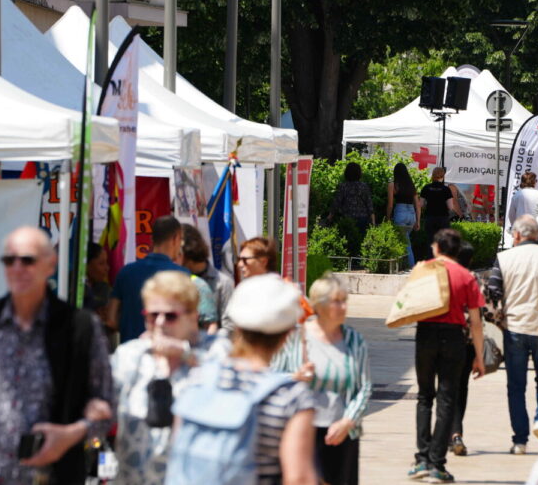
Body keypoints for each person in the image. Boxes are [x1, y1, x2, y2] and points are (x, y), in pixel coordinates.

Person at [0, 227, 114, 484]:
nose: (18, 268)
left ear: (50, 265)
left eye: (27, 260)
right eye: (9, 260)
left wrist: (71, 434)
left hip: (48, 476)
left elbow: (106, 404)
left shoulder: (79, 327)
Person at [168, 275, 318, 485]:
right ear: (286, 335)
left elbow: (176, 452)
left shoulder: (197, 377)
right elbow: (298, 478)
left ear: (237, 327)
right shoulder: (292, 397)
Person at [111, 271, 226, 484]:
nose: (160, 322)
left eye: (170, 316)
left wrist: (185, 354)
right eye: (152, 315)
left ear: (193, 317)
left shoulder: (216, 350)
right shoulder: (130, 355)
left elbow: (234, 386)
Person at [272, 275, 373, 485]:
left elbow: (364, 387)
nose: (344, 307)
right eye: (337, 301)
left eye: (345, 300)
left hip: (342, 434)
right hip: (301, 433)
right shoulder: (295, 339)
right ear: (319, 305)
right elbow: (271, 378)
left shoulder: (354, 341)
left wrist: (347, 421)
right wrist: (295, 377)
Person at [409, 228, 486, 484]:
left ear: (438, 248)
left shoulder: (423, 270)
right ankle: (437, 464)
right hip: (454, 337)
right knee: (446, 399)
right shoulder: (466, 276)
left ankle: (421, 460)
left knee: (424, 396)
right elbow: (476, 322)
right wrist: (479, 355)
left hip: (425, 334)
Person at [486, 215, 538, 453]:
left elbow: (493, 293)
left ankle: (520, 440)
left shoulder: (504, 258)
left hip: (515, 329)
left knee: (516, 386)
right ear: (537, 234)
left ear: (518, 235)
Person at [114, 216, 216, 341]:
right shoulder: (182, 275)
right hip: (171, 347)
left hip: (130, 348)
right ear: (175, 239)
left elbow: (111, 318)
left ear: (152, 239)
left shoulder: (125, 272)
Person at [178, 223, 236, 331]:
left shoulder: (223, 283)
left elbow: (229, 326)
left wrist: (209, 338)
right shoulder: (175, 280)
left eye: (177, 253)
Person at [450, 241, 477, 457]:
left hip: (443, 340)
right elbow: (483, 318)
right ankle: (457, 433)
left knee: (446, 389)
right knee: (462, 387)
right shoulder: (474, 280)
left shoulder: (443, 278)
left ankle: (449, 434)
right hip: (467, 344)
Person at [388, 162, 421, 269]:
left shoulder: (393, 184)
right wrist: (418, 221)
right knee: (404, 241)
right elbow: (418, 205)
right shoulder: (411, 185)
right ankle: (404, 265)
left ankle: (411, 267)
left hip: (400, 212)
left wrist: (387, 218)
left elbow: (390, 205)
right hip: (411, 215)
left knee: (406, 244)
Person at [84, 241, 118, 346]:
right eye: (101, 263)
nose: (107, 268)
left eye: (106, 263)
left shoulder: (105, 289)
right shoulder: (71, 287)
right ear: (86, 265)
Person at [331, 161, 375, 234]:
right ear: (359, 173)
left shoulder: (343, 186)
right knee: (361, 239)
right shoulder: (364, 186)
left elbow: (336, 203)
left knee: (347, 239)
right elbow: (369, 205)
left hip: (347, 219)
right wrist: (373, 221)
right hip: (362, 219)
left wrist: (330, 217)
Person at [420, 167, 462, 240]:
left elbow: (421, 204)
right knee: (443, 242)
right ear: (443, 176)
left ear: (433, 175)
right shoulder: (446, 189)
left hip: (430, 218)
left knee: (431, 241)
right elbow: (450, 207)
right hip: (443, 218)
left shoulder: (426, 188)